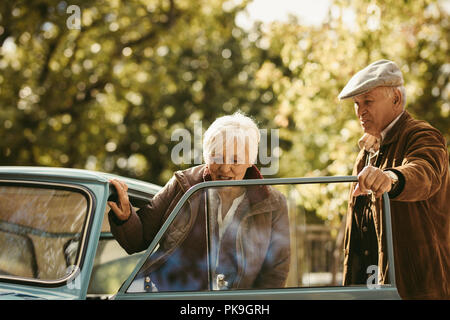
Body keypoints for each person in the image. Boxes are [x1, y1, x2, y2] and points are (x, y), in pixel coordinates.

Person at [107, 112, 290, 292]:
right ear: (206, 155)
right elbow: (137, 241)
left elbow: (274, 274)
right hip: (171, 294)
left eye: (235, 160)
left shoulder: (273, 204)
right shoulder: (183, 184)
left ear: (250, 161)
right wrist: (126, 217)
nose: (225, 168)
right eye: (217, 157)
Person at [338, 59, 450, 299]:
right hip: (374, 290)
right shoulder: (366, 153)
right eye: (356, 104)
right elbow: (359, 234)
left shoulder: (422, 134)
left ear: (396, 99)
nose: (360, 111)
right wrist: (353, 291)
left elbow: (425, 172)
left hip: (418, 290)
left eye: (368, 101)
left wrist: (390, 178)